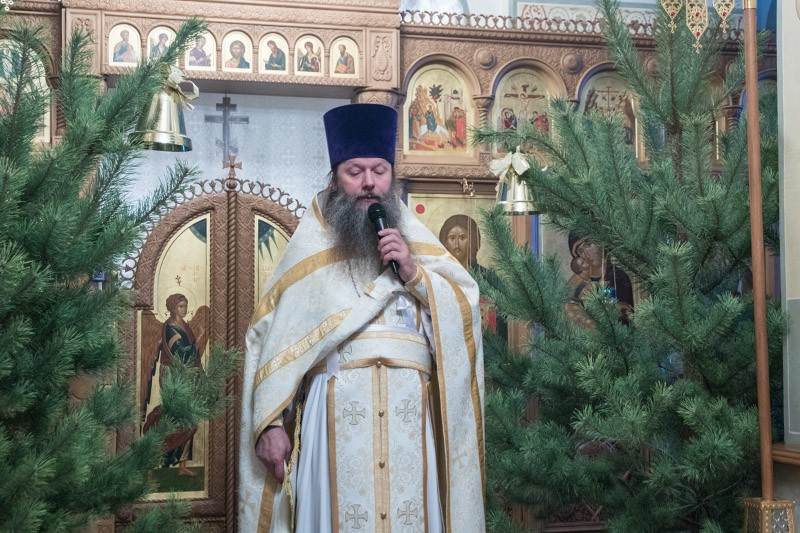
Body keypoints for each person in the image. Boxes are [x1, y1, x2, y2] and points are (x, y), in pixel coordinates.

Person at [239, 103, 485, 532]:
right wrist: (271, 423)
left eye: (379, 171)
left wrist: (416, 275)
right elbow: (271, 343)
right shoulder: (310, 250)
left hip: (411, 424)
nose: (369, 182)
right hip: (334, 421)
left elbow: (463, 317)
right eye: (355, 172)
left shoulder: (419, 249)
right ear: (335, 178)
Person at [142, 293, 205, 477]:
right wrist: (200, 338)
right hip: (173, 375)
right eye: (180, 306)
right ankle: (150, 460)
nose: (184, 309)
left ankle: (182, 465)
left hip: (186, 375)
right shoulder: (170, 328)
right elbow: (181, 354)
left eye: (185, 306)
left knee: (188, 420)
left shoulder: (184, 325)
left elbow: (191, 357)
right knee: (176, 419)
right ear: (172, 308)